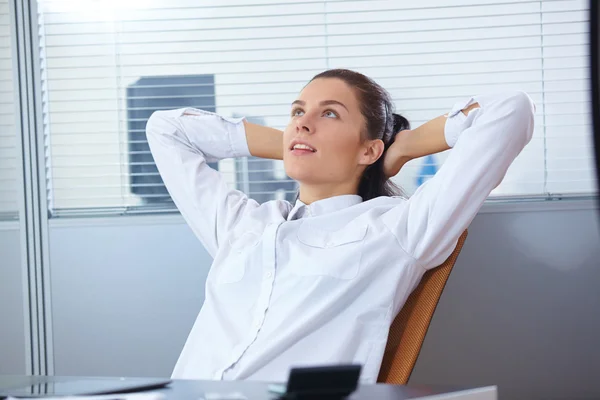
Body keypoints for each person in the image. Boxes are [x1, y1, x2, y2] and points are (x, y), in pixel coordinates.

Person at [145, 69, 535, 383]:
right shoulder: (243, 224)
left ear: (369, 149)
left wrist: (403, 146)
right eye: (298, 112)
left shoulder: (395, 229)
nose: (303, 123)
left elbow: (510, 110)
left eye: (329, 113)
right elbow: (166, 129)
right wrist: (292, 141)